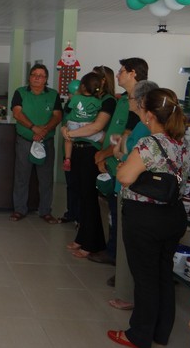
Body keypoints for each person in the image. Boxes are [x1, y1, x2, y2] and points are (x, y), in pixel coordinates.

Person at [108, 88, 189, 348]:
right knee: (163, 274)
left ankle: (139, 335)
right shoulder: (181, 143)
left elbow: (124, 177)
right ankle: (161, 332)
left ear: (150, 115)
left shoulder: (149, 144)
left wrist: (123, 167)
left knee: (145, 278)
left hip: (145, 218)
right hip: (173, 215)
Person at [89, 58, 148, 266]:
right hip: (115, 162)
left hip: (127, 165)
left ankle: (118, 258)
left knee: (123, 216)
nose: (117, 75)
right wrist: (106, 153)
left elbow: (127, 137)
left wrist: (105, 154)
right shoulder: (122, 99)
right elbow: (115, 133)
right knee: (114, 212)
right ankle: (113, 251)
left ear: (133, 73)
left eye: (121, 71)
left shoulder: (141, 102)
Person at [108, 80, 158, 312]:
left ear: (140, 101)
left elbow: (132, 159)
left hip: (134, 190)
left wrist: (119, 154)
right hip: (133, 190)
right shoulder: (141, 125)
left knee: (130, 244)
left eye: (129, 98)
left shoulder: (145, 128)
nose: (127, 101)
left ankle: (127, 294)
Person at [62, 65, 117, 257]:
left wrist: (71, 133)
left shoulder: (108, 101)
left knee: (89, 197)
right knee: (81, 195)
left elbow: (96, 127)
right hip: (77, 148)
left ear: (103, 80)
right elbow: (71, 117)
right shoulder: (86, 98)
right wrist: (66, 130)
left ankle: (92, 243)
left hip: (91, 151)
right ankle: (82, 237)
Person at [10, 64, 62, 224]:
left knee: (46, 178)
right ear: (29, 77)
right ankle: (19, 209)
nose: (37, 78)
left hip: (46, 142)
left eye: (41, 75)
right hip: (25, 141)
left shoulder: (53, 94)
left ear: (46, 79)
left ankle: (45, 211)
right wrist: (34, 128)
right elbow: (17, 113)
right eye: (34, 74)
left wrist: (43, 131)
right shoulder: (20, 92)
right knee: (21, 177)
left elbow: (57, 115)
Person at [62, 72, 104, 171]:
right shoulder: (98, 101)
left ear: (83, 87)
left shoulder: (75, 98)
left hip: (73, 124)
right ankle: (103, 155)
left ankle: (67, 159)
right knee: (104, 138)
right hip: (88, 127)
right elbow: (98, 112)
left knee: (68, 140)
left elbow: (67, 109)